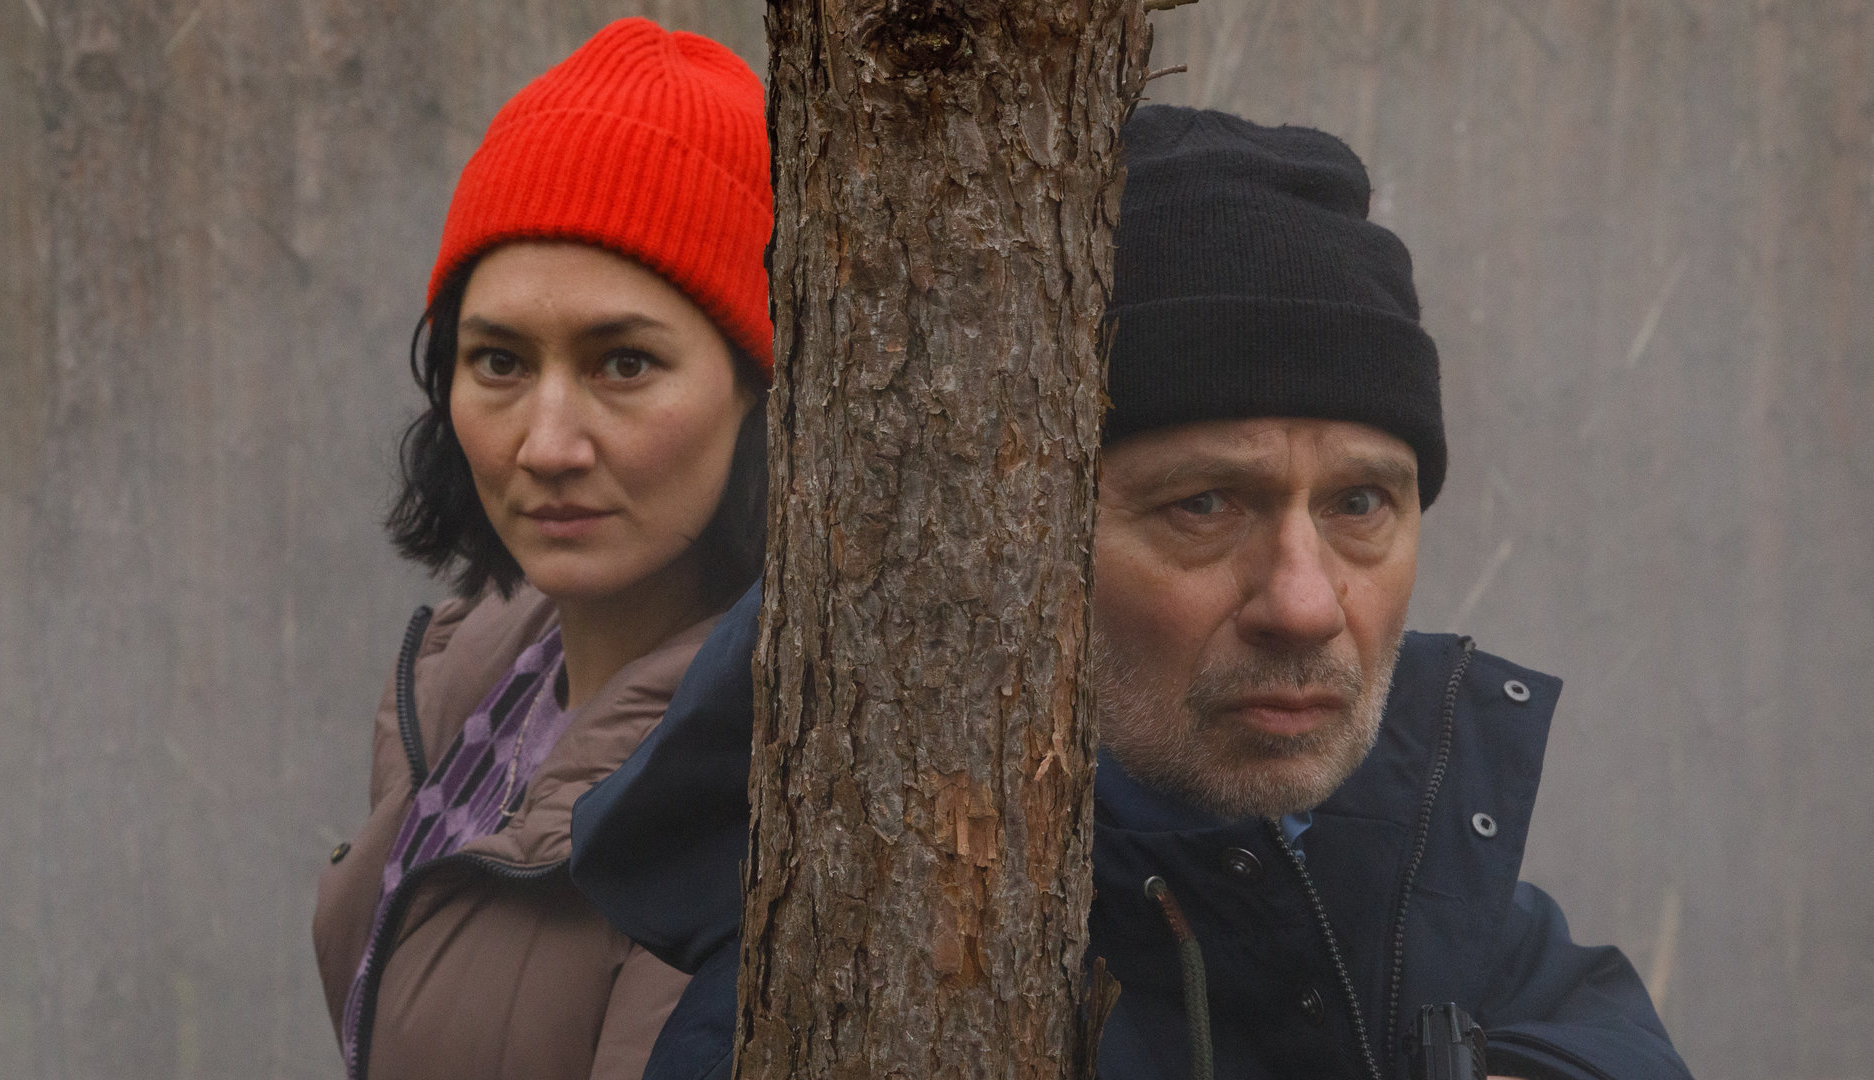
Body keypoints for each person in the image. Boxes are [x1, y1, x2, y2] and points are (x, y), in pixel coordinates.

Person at [567, 106, 1694, 1080]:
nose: (1303, 606)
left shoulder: (1405, 851)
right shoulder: (839, 974)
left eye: (1359, 505)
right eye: (1202, 505)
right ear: (1025, 541)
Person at [310, 19, 771, 1080]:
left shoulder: (770, 778)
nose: (548, 443)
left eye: (624, 362)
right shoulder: (470, 694)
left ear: (757, 392)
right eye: (500, 361)